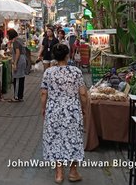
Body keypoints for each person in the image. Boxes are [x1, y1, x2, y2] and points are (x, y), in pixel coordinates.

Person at [41, 43, 88, 183]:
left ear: (54, 57)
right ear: (68, 55)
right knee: (74, 138)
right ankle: (73, 172)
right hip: (72, 111)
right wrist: (84, 108)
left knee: (55, 139)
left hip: (53, 110)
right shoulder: (76, 72)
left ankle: (59, 174)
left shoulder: (48, 72)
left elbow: (44, 93)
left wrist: (43, 109)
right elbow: (83, 94)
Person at [7, 28, 27, 102]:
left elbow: (17, 53)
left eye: (8, 35)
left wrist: (15, 63)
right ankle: (20, 96)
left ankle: (16, 96)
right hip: (23, 59)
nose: (7, 36)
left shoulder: (15, 42)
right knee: (21, 78)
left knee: (17, 78)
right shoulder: (20, 40)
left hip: (19, 60)